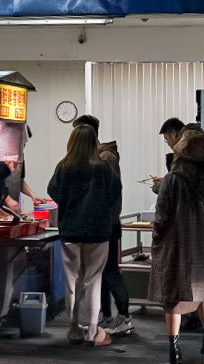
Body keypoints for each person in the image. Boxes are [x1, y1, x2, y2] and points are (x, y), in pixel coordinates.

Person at [149, 125, 204, 362]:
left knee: (173, 300)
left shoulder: (172, 180)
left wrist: (157, 244)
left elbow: (161, 217)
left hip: (177, 247)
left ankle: (174, 351)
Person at [47, 123, 121, 347]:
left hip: (71, 230)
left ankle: (72, 329)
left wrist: (70, 205)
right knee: (93, 281)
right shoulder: (103, 167)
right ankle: (91, 330)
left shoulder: (64, 166)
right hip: (98, 232)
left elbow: (53, 190)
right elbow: (115, 192)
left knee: (73, 282)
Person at [72, 114, 134, 336]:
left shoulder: (106, 158)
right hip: (97, 225)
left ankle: (125, 317)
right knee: (100, 272)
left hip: (106, 225)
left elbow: (108, 193)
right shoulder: (95, 157)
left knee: (110, 271)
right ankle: (106, 316)